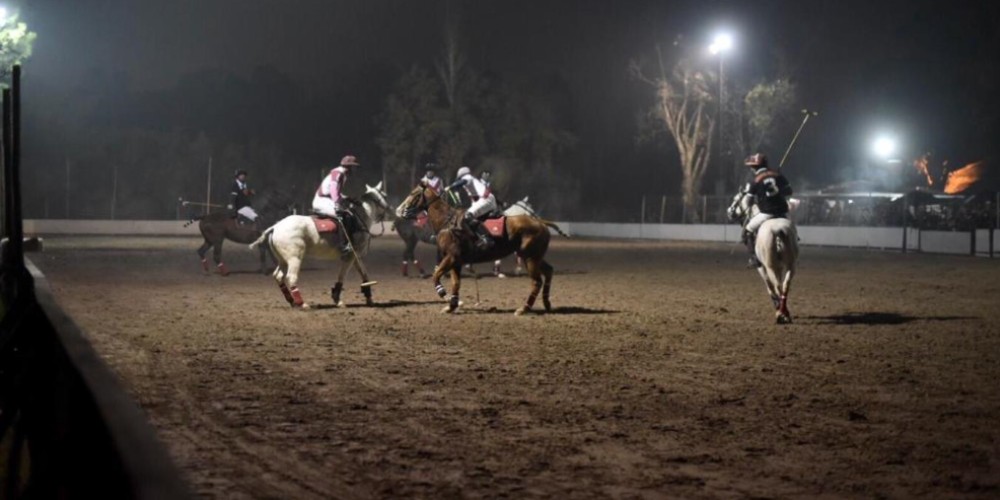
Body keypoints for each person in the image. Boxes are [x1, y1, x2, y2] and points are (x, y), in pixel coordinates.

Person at [730, 153, 793, 268]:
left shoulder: (755, 181)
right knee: (791, 230)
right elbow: (789, 191)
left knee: (747, 231)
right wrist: (778, 189)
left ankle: (754, 258)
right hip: (783, 212)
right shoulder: (778, 175)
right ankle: (793, 244)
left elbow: (748, 202)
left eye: (751, 167)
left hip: (767, 213)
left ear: (754, 167)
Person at [312, 155, 361, 253]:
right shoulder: (338, 173)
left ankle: (347, 243)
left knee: (347, 214)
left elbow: (336, 193)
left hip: (326, 200)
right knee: (344, 216)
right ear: (349, 167)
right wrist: (337, 205)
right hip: (322, 201)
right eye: (354, 167)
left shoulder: (341, 174)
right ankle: (343, 245)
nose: (355, 170)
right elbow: (333, 190)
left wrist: (349, 199)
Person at [446, 166, 498, 250]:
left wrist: (451, 186)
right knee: (469, 217)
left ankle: (487, 238)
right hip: (484, 200)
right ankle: (478, 237)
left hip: (486, 199)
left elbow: (462, 182)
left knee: (467, 216)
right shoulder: (470, 181)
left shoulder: (468, 177)